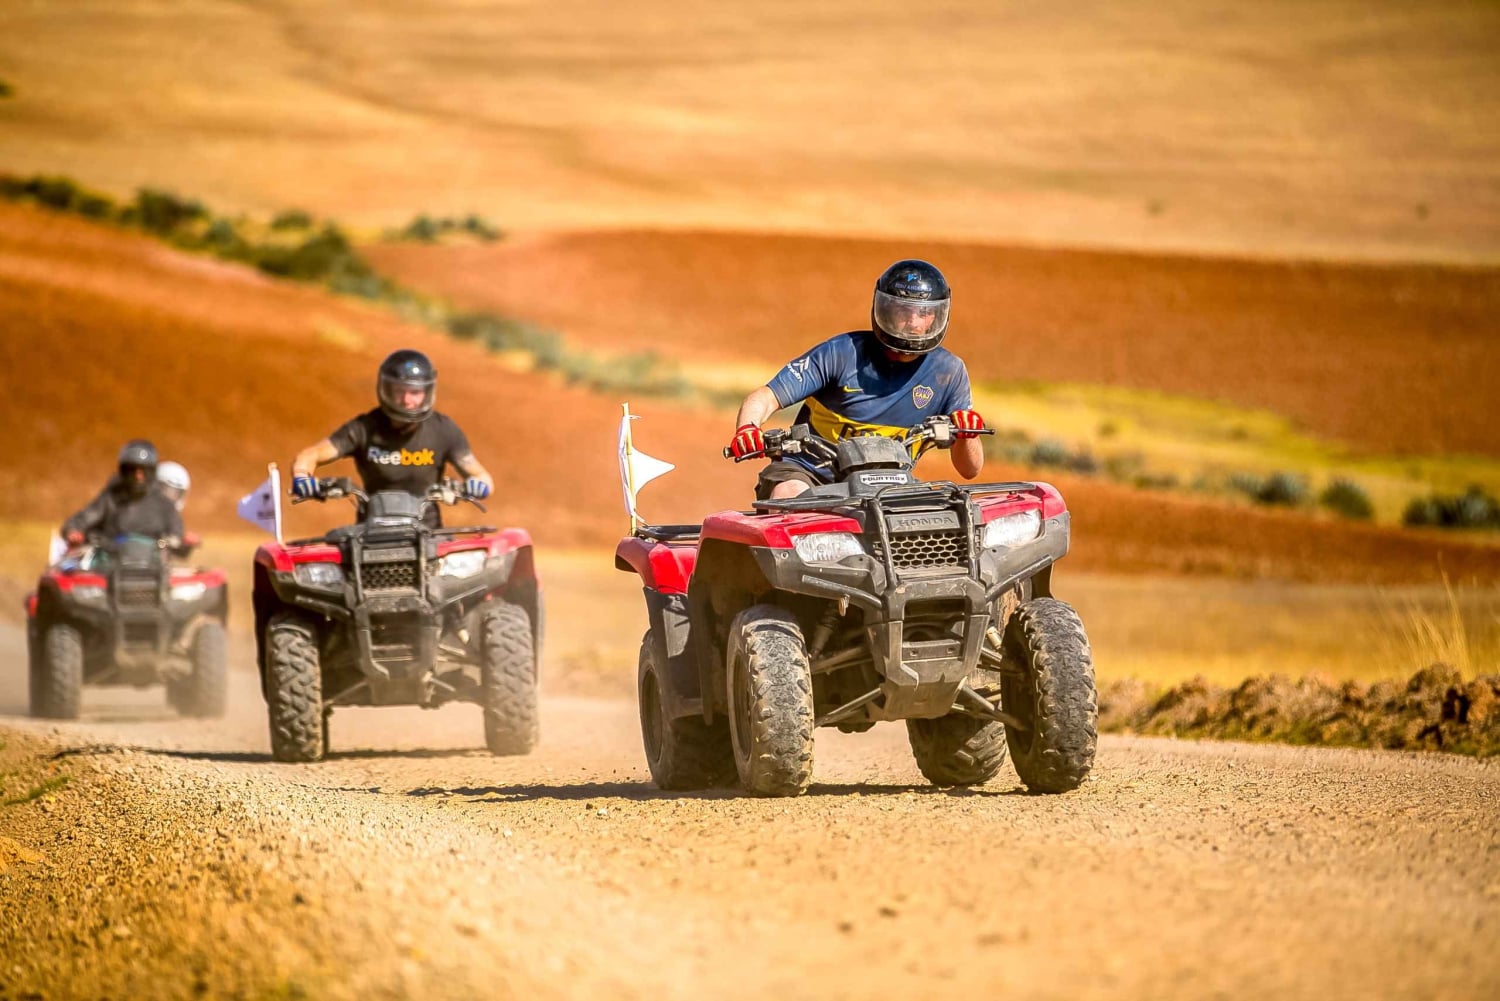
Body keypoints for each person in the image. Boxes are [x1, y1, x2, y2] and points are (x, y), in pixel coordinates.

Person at [728, 259, 986, 499]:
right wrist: (747, 428)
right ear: (884, 310)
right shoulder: (841, 353)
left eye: (924, 313)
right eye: (904, 311)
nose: (913, 323)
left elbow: (970, 470)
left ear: (937, 316)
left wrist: (968, 435)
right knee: (790, 493)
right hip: (809, 474)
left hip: (888, 484)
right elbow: (766, 396)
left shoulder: (948, 372)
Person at [289, 349, 495, 525]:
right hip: (370, 533)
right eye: (399, 391)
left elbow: (482, 476)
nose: (406, 400)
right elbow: (310, 455)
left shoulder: (444, 429)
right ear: (385, 389)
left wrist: (478, 485)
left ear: (427, 393)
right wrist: (302, 477)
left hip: (430, 533)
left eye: (415, 392)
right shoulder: (363, 428)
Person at [60, 439, 184, 548]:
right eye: (132, 471)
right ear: (124, 471)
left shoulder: (163, 504)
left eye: (143, 471)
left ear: (152, 472)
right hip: (111, 562)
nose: (138, 477)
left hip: (152, 565)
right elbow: (82, 520)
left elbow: (177, 536)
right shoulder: (110, 498)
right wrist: (73, 531)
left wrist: (178, 542)